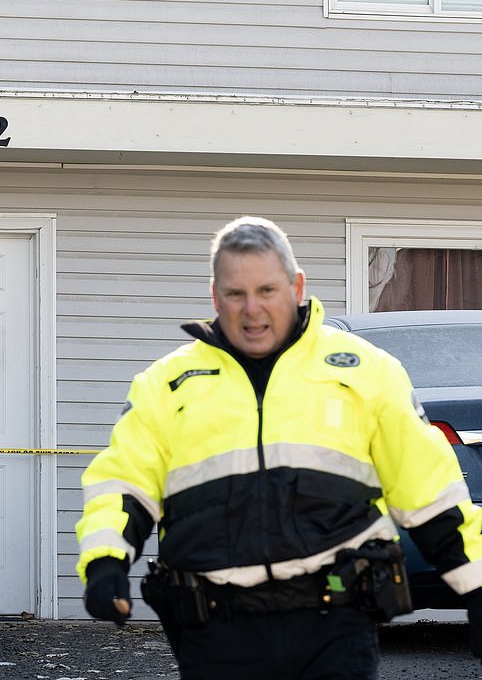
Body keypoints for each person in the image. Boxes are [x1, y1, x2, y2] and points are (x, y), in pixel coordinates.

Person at [75, 215, 482, 679]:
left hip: (334, 627)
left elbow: (428, 490)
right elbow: (123, 482)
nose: (252, 310)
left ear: (297, 286)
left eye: (267, 290)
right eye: (235, 293)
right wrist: (106, 561)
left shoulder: (366, 372)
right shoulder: (166, 384)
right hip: (215, 632)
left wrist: (475, 587)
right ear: (215, 296)